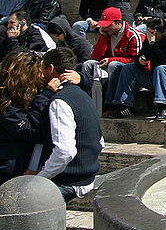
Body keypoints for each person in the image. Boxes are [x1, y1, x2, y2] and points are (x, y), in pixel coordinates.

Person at [30, 48, 104, 201]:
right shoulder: (83, 95)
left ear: (50, 69)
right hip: (87, 176)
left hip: (69, 182)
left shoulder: (59, 101)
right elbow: (100, 142)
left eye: (42, 69)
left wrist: (39, 178)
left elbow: (65, 152)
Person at [111, 18, 166, 122]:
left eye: (154, 33)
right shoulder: (149, 41)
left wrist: (152, 44)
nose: (151, 35)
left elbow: (163, 59)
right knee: (128, 68)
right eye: (149, 32)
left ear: (164, 32)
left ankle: (163, 108)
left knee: (161, 68)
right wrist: (141, 60)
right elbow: (140, 57)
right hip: (156, 79)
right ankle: (125, 106)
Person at [0, 49, 57, 182]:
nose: (41, 76)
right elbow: (29, 130)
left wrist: (81, 78)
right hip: (8, 171)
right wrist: (45, 96)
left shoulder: (24, 94)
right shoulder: (5, 102)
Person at [85, 7, 143, 116]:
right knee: (88, 64)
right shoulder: (108, 34)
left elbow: (135, 60)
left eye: (108, 25)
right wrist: (103, 37)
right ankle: (90, 101)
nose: (105, 27)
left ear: (119, 23)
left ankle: (111, 104)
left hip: (128, 71)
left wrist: (111, 60)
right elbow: (96, 57)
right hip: (110, 65)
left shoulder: (132, 35)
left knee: (113, 65)